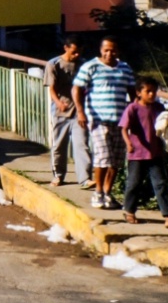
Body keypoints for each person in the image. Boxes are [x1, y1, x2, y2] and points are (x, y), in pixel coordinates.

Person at [74, 37, 138, 211]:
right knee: (103, 157)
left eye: (113, 50)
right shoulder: (90, 67)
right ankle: (98, 192)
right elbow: (77, 88)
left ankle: (108, 193)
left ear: (118, 51)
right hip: (98, 119)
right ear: (101, 50)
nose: (109, 53)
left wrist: (135, 115)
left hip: (119, 120)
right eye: (106, 50)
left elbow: (133, 93)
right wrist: (81, 112)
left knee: (115, 160)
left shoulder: (124, 68)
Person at [119, 78, 168, 225]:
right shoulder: (133, 108)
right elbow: (123, 128)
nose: (152, 94)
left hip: (156, 153)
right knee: (134, 183)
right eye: (148, 91)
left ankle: (166, 214)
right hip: (137, 153)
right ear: (139, 93)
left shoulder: (159, 108)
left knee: (161, 183)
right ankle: (129, 211)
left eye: (154, 91)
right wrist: (128, 143)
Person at [44, 37, 88, 188]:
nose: (77, 56)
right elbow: (52, 88)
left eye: (79, 53)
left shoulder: (84, 64)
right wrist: (58, 102)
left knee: (81, 144)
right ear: (66, 48)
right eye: (74, 52)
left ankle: (84, 178)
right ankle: (58, 175)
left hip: (79, 110)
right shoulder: (53, 64)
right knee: (59, 145)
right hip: (60, 110)